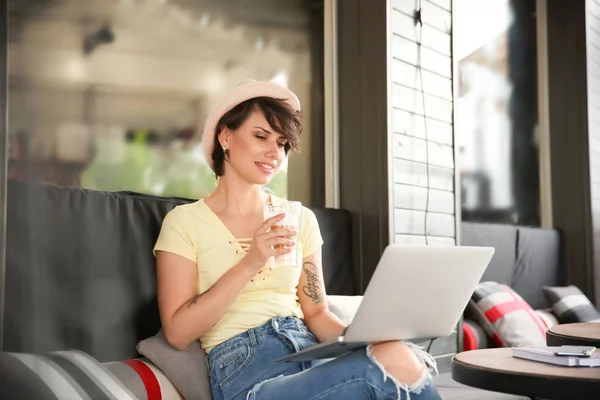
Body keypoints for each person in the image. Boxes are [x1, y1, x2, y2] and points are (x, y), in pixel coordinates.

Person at [153, 80, 442, 400]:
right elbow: (178, 333)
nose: (273, 153)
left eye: (282, 143)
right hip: (245, 370)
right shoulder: (184, 222)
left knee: (393, 353)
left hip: (307, 353)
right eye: (261, 136)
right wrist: (251, 262)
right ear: (225, 136)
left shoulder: (298, 218)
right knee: (386, 369)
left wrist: (360, 339)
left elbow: (316, 313)